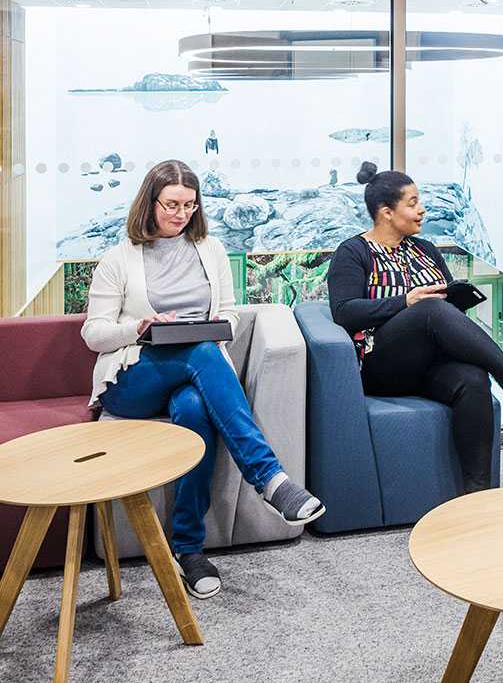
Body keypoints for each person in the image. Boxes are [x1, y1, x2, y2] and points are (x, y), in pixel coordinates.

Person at [82, 160, 324, 600]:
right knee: (199, 352)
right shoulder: (118, 260)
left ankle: (188, 551)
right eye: (172, 205)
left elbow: (230, 311)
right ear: (149, 203)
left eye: (190, 205)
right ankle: (269, 477)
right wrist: (139, 326)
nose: (181, 214)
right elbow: (94, 335)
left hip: (192, 373)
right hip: (134, 378)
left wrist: (217, 324)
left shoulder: (209, 249)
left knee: (195, 409)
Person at [326, 162, 503, 487]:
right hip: (381, 365)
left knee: (472, 378)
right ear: (386, 212)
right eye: (412, 203)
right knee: (429, 309)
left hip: (431, 365)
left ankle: (477, 493)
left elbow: (447, 308)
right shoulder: (354, 252)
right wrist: (406, 301)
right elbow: (345, 311)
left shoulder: (425, 250)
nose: (422, 210)